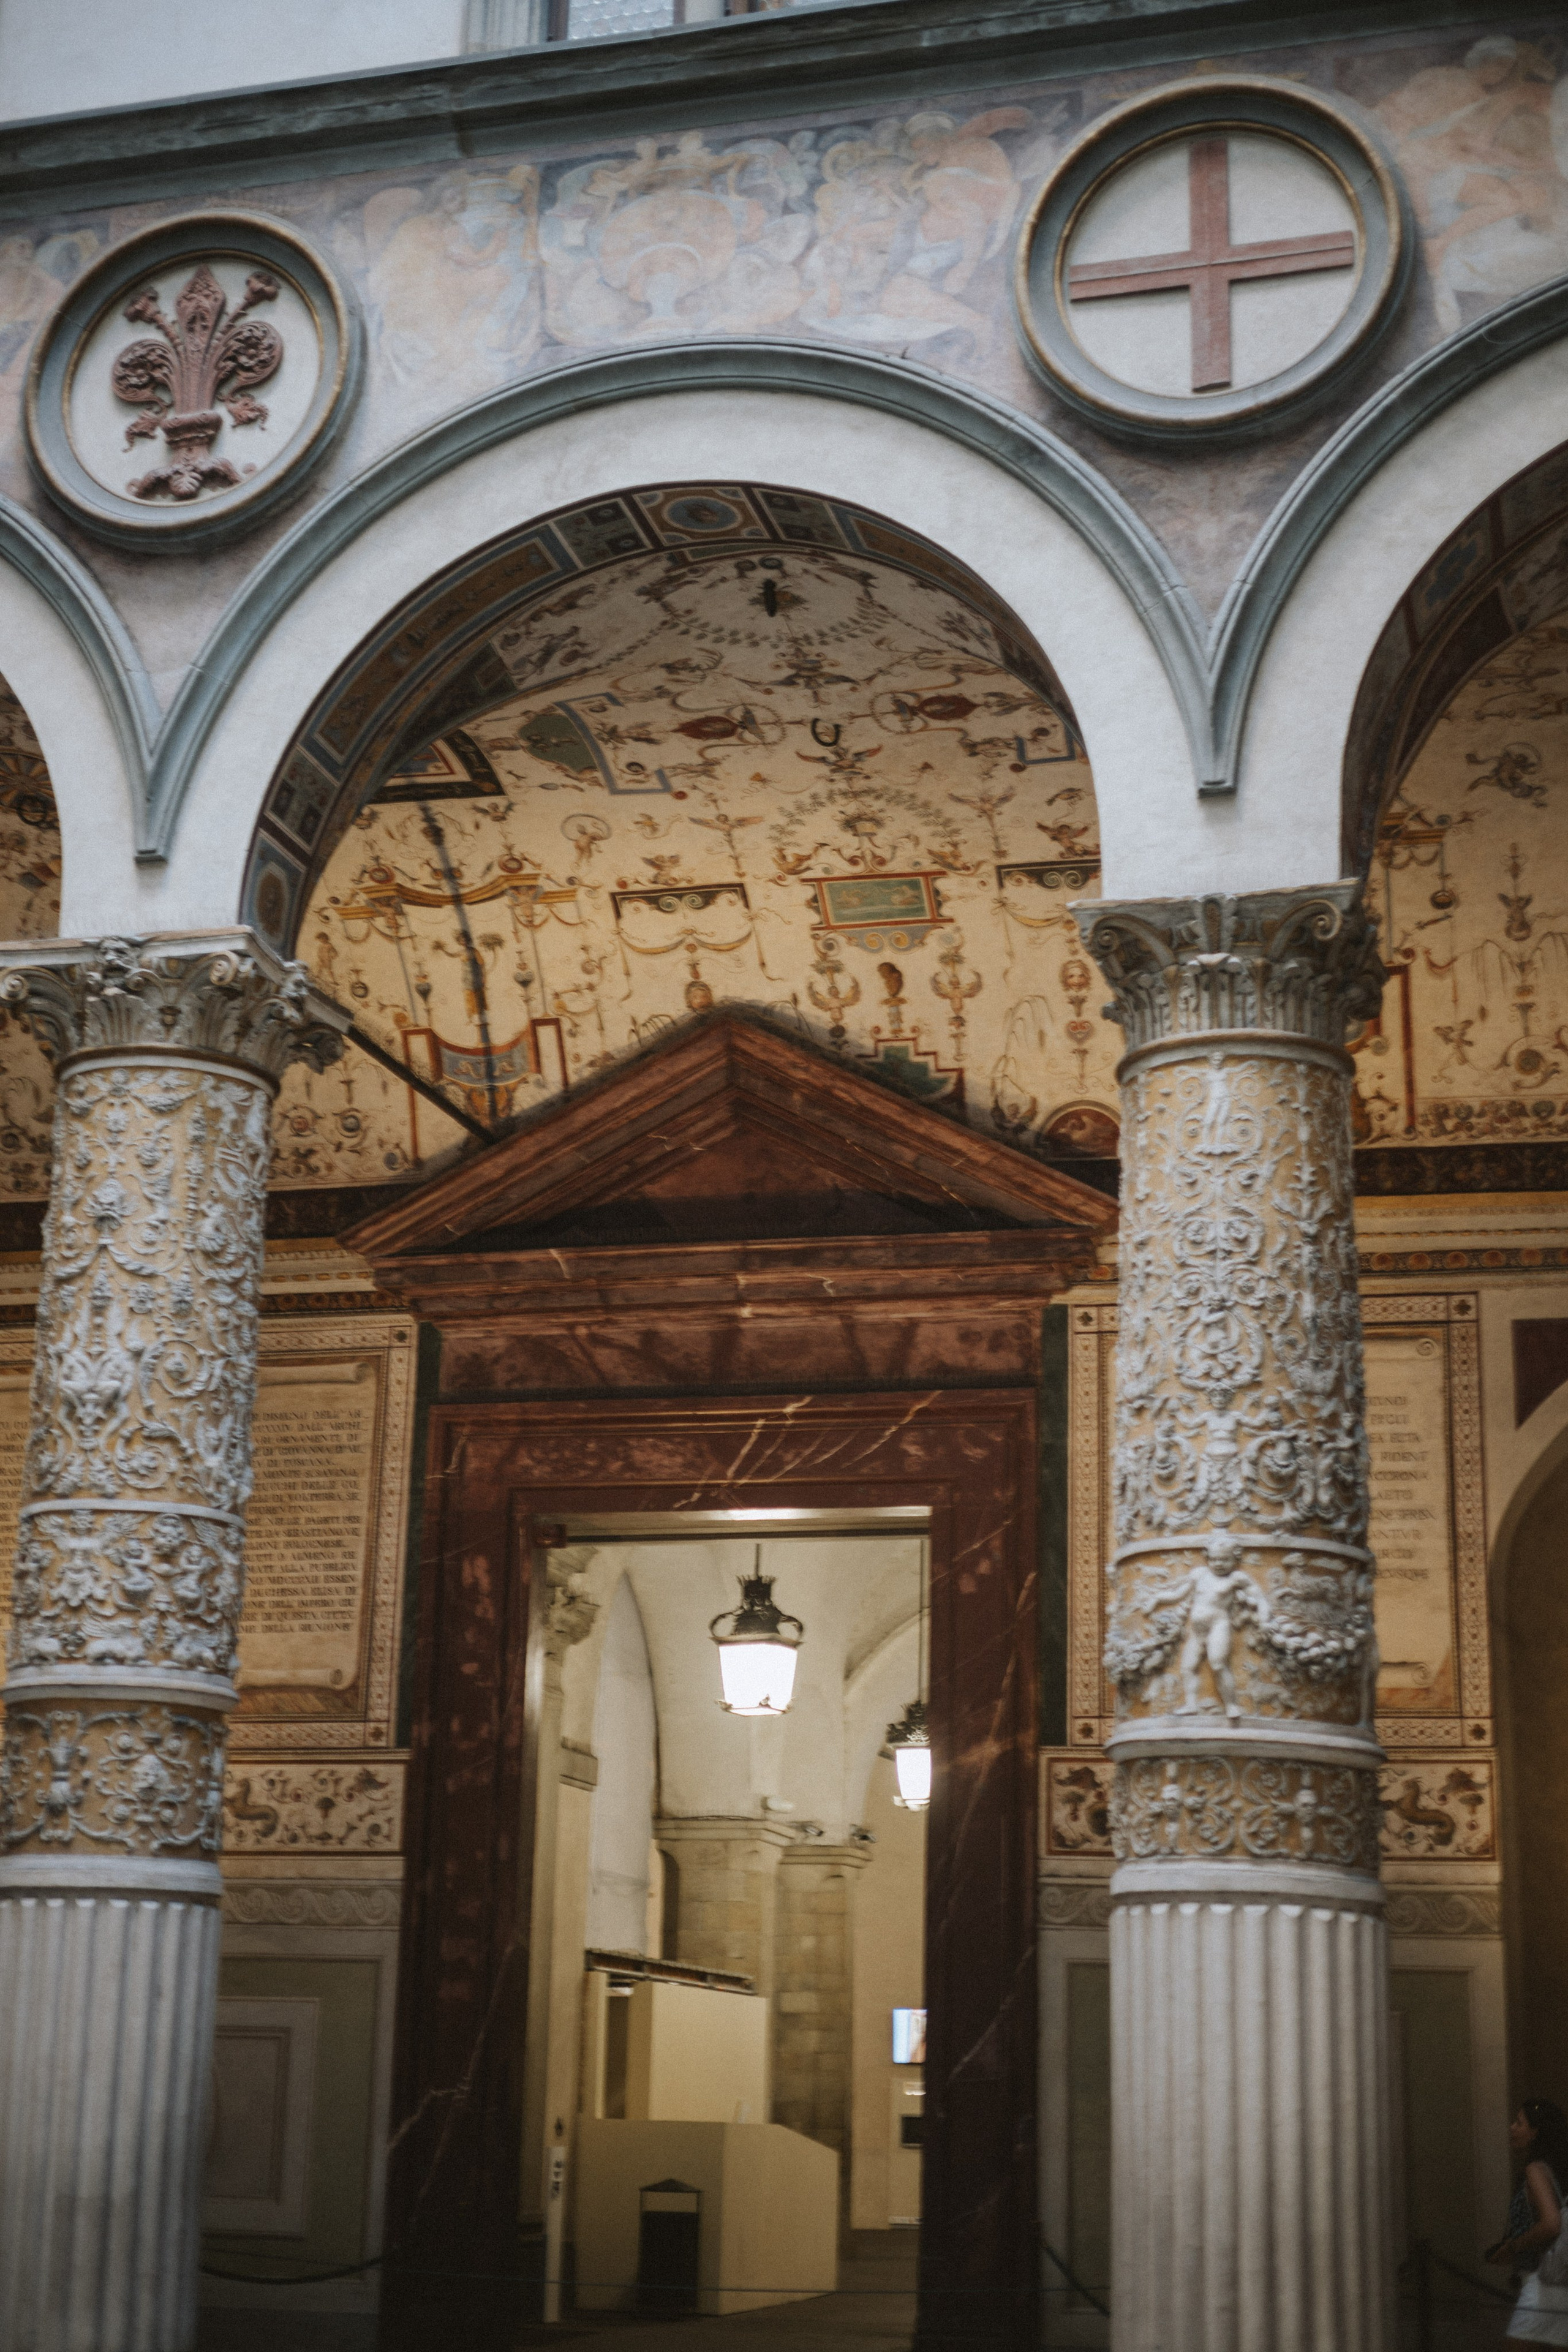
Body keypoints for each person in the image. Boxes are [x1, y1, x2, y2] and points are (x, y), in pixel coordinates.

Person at [1487, 2099, 1568, 2342]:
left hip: (1543, 2283)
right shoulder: (1557, 2168)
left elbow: (1551, 2224)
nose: (1512, 2127)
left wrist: (1513, 2246)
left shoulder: (1535, 2169)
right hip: (1557, 2279)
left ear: (1535, 2132)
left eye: (1519, 2123)